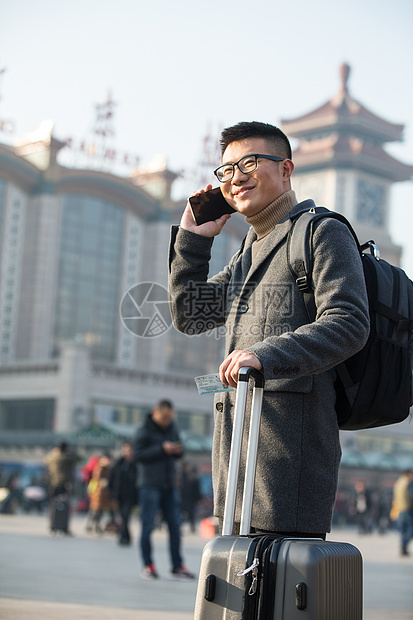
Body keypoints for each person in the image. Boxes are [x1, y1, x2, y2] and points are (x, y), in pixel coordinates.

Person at [168, 121, 370, 538]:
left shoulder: (321, 232)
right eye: (225, 170)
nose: (236, 177)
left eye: (249, 162)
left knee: (278, 591)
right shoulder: (249, 249)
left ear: (286, 169)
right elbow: (191, 314)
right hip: (236, 465)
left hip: (287, 468)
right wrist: (193, 239)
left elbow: (349, 321)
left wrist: (265, 355)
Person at [134, 399, 194, 580]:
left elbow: (180, 451)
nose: (168, 420)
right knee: (148, 526)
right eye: (165, 417)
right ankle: (148, 565)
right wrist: (162, 449)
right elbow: (138, 455)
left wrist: (177, 450)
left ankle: (177, 566)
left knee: (175, 527)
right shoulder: (143, 429)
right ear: (156, 412)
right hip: (149, 485)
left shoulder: (172, 428)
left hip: (169, 484)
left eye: (170, 417)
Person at [44, 441, 79, 534]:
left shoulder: (52, 457)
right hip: (65, 484)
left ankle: (53, 526)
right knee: (66, 506)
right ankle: (64, 527)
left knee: (53, 505)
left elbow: (46, 459)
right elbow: (79, 458)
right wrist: (70, 452)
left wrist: (53, 452)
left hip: (53, 483)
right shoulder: (67, 457)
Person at [109, 441, 138, 545]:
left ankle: (123, 536)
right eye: (125, 450)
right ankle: (126, 535)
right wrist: (111, 492)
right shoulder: (119, 463)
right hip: (119, 494)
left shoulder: (136, 465)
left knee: (125, 515)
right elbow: (112, 479)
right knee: (122, 515)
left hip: (130, 495)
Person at [392, 470, 413, 556]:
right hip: (407, 508)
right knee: (410, 528)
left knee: (403, 529)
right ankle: (404, 545)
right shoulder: (408, 483)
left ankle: (403, 547)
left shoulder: (398, 482)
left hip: (400, 509)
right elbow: (411, 496)